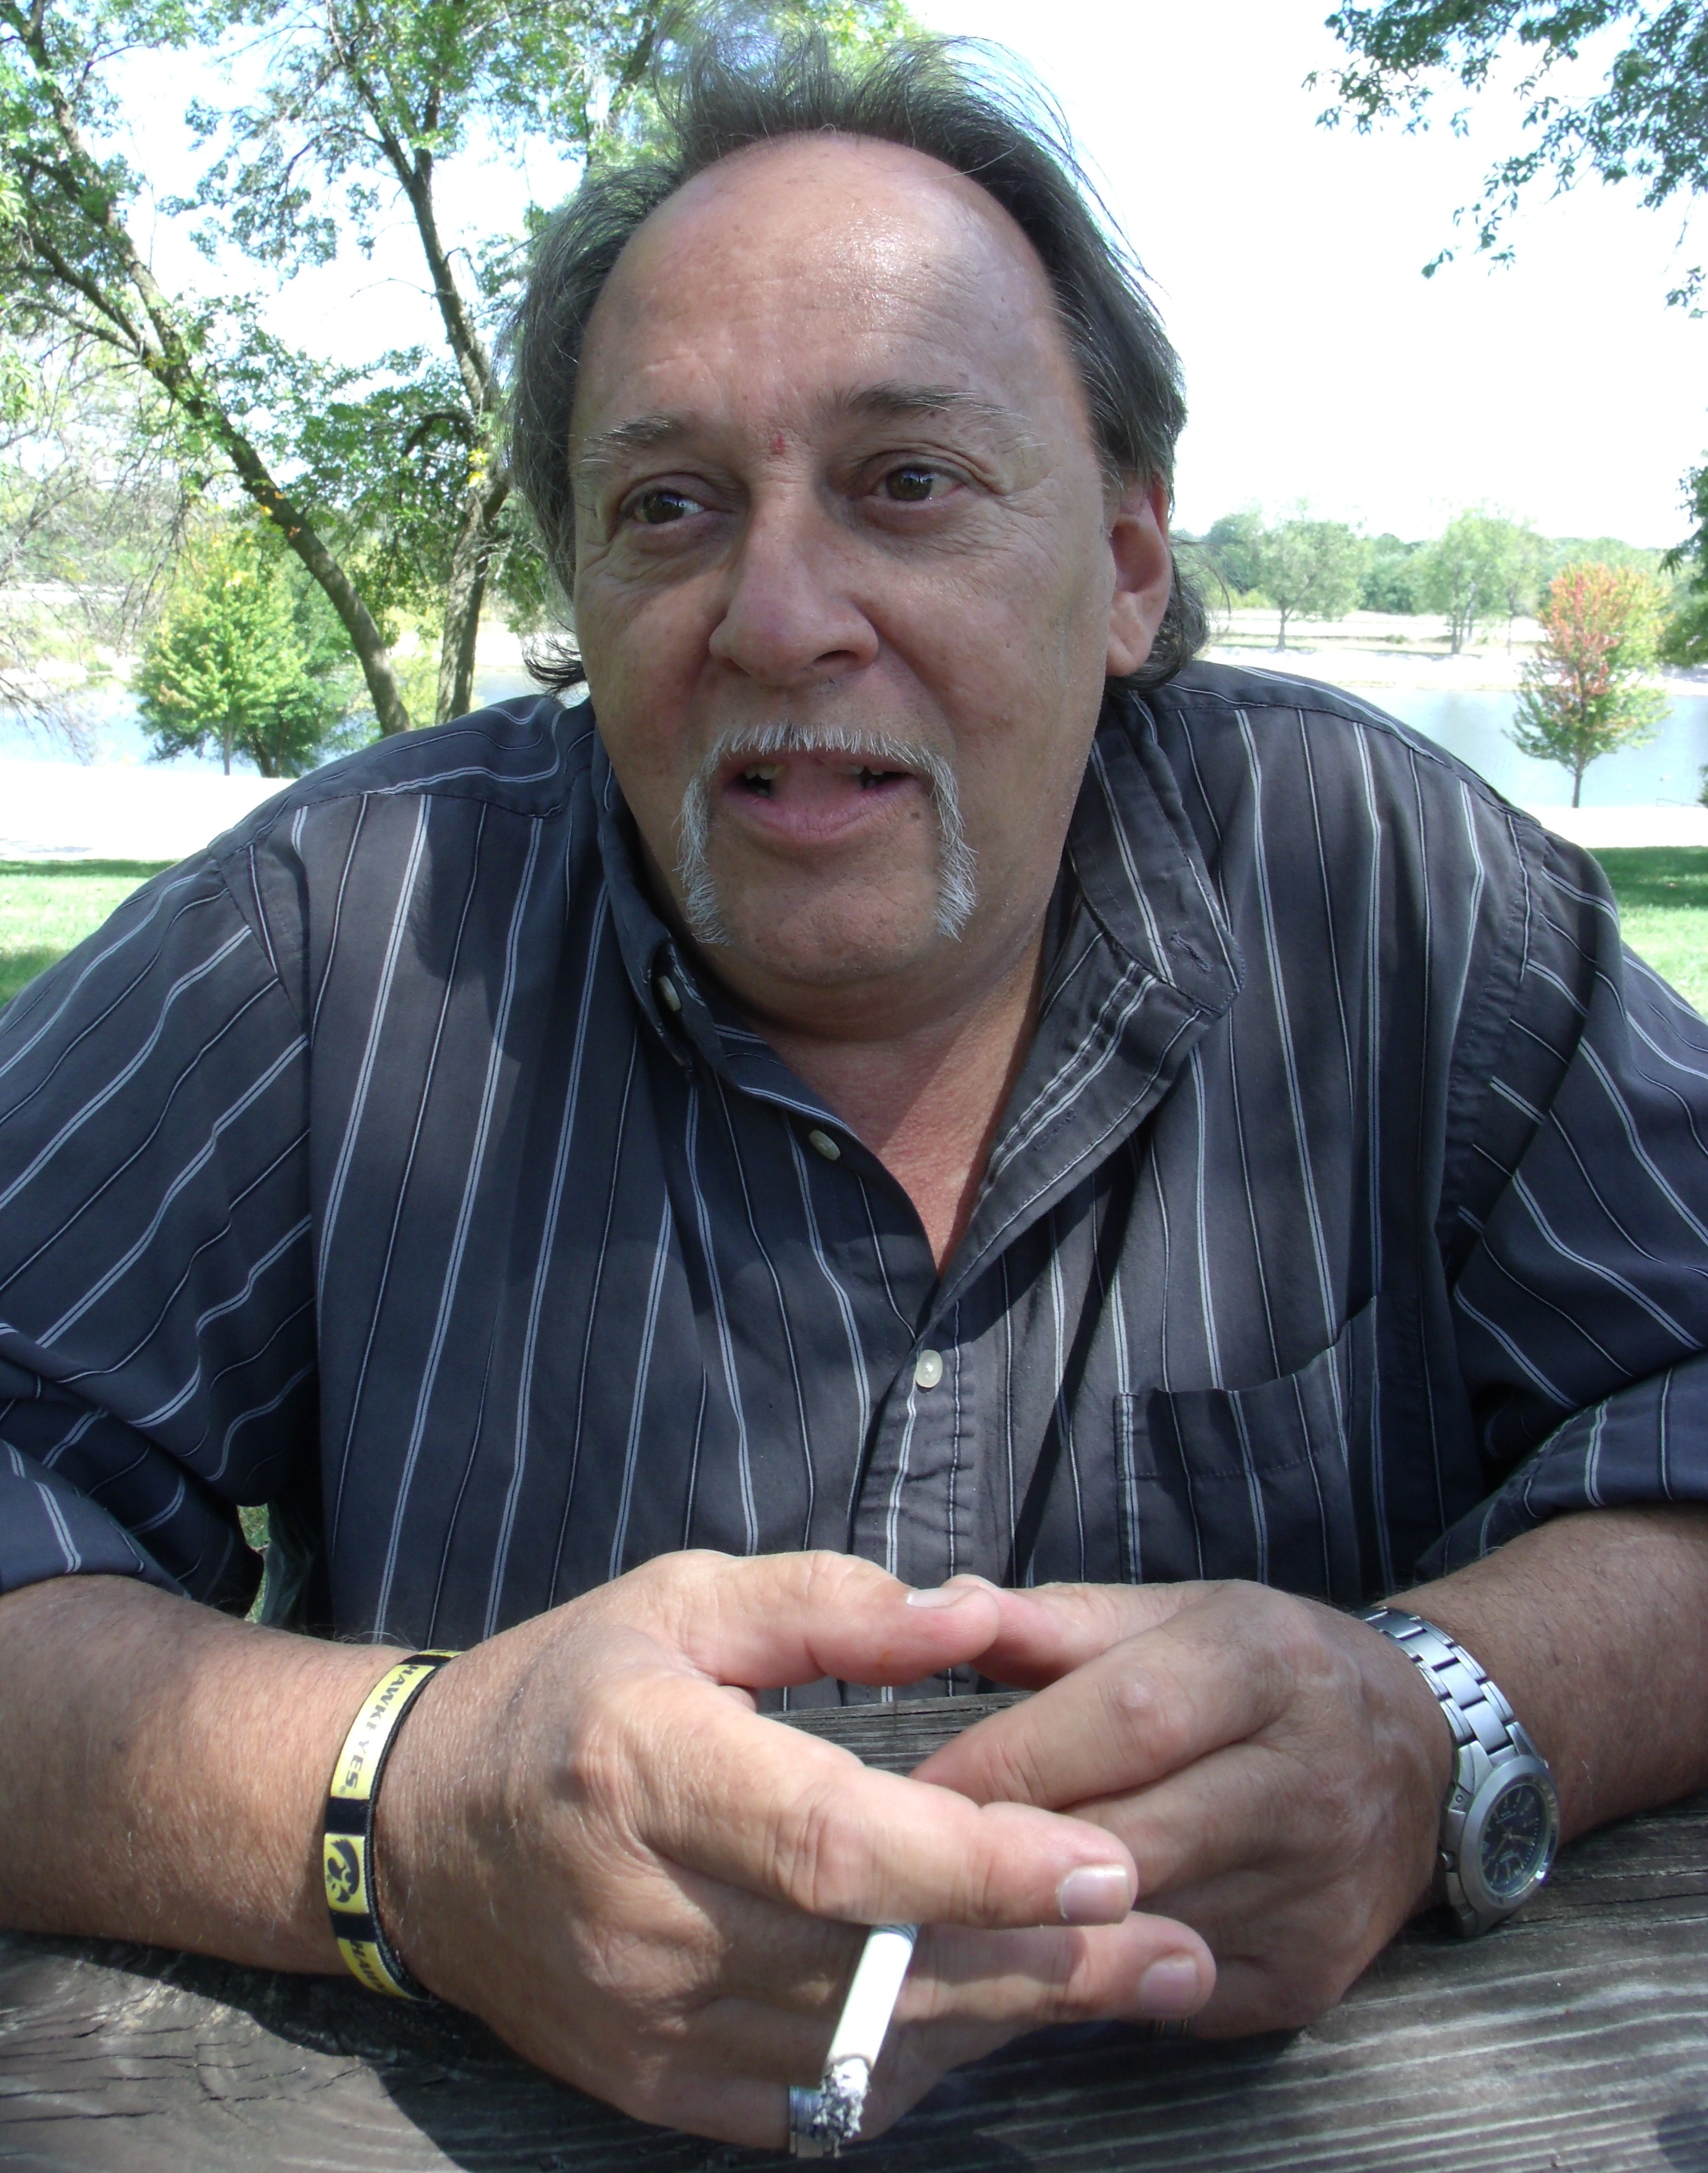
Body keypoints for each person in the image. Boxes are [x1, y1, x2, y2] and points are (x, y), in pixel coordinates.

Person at [3, 30, 1708, 2152]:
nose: (781, 615)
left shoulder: (1390, 897)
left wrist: (1447, 1714)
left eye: (908, 481)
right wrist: (401, 1810)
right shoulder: (336, 941)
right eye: (670, 507)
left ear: (1130, 561)